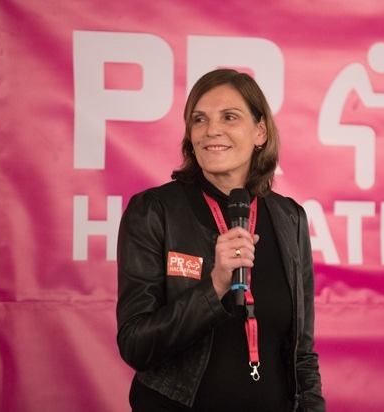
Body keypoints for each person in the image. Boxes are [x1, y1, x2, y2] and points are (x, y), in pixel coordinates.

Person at [116, 68, 326, 412]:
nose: (212, 130)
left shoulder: (290, 218)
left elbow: (301, 353)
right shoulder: (154, 211)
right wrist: (214, 287)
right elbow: (135, 345)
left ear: (260, 132)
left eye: (229, 117)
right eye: (199, 119)